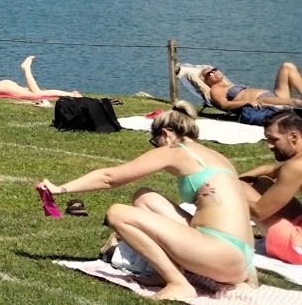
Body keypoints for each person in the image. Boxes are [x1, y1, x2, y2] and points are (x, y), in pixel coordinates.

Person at [39, 103, 256, 300]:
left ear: (166, 134)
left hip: (222, 254)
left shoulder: (175, 151)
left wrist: (61, 189)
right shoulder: (216, 156)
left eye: (156, 142)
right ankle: (163, 274)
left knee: (117, 213)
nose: (156, 147)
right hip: (241, 257)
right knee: (145, 196)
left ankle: (178, 283)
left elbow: (109, 178)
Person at [240, 110, 302, 265]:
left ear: (293, 137)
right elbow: (269, 170)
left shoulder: (296, 166)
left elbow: (259, 212)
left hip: (298, 248)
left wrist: (224, 185)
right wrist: (234, 178)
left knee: (238, 188)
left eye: (274, 140)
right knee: (262, 183)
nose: (269, 146)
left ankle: (217, 226)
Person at [201, 64, 302, 125]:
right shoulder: (216, 89)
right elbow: (224, 104)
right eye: (209, 74)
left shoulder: (228, 84)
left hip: (272, 95)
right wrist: (248, 102)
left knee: (287, 67)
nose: (213, 72)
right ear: (207, 82)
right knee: (295, 102)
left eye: (214, 70)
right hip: (261, 101)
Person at [0, 55, 83, 101]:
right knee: (39, 93)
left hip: (0, 88)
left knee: (36, 94)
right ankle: (71, 94)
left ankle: (26, 67)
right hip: (2, 86)